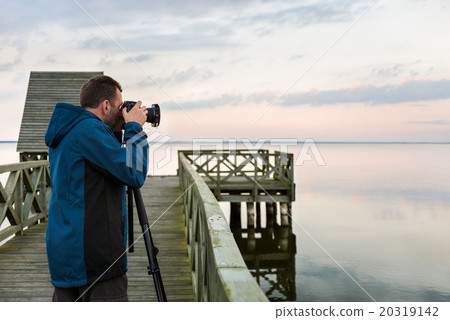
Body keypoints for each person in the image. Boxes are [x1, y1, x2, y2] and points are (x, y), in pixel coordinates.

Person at [45, 75, 149, 301]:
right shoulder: (88, 130)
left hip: (66, 255)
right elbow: (134, 172)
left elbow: (97, 168)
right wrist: (134, 129)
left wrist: (118, 131)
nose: (123, 111)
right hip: (95, 259)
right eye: (120, 105)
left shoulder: (70, 129)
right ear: (105, 105)